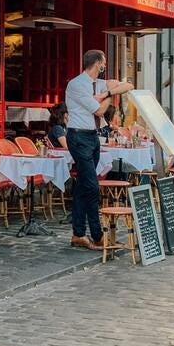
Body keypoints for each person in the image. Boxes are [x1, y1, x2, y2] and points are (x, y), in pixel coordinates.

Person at [65, 50, 133, 250]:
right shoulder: (77, 85)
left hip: (93, 137)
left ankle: (78, 234)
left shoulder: (100, 85)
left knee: (83, 186)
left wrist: (106, 92)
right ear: (98, 64)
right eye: (103, 63)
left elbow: (128, 85)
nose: (105, 67)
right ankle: (97, 235)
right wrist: (111, 94)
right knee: (92, 186)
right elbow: (99, 110)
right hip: (78, 137)